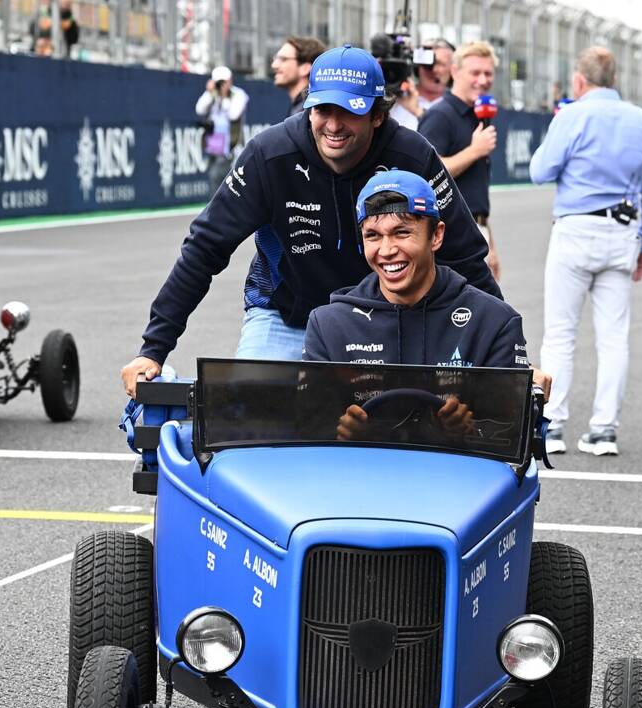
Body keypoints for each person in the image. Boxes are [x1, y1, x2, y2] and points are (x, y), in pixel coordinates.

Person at [120, 44, 499, 398]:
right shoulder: (269, 155)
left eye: (349, 111)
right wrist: (153, 350)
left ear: (378, 115)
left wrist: (511, 361)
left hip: (386, 319)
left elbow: (465, 256)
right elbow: (204, 248)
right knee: (250, 427)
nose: (333, 126)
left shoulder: (413, 155)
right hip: (285, 316)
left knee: (402, 432)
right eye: (322, 110)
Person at [304, 170, 549, 439]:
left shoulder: (494, 322)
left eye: (401, 232)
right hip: (358, 475)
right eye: (373, 235)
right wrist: (343, 434)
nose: (386, 250)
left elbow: (510, 436)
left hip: (460, 477)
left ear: (436, 236)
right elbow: (310, 430)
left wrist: (470, 432)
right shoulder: (328, 324)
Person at [528, 46, 642, 457]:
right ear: (614, 78)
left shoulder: (572, 115)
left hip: (575, 227)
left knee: (560, 333)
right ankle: (604, 429)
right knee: (613, 337)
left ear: (580, 80)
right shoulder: (641, 121)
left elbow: (539, 172)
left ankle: (552, 425)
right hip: (622, 230)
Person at [419, 40, 500, 279]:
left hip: (477, 230)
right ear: (455, 72)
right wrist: (474, 151)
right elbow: (425, 174)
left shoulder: (478, 117)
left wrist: (491, 246)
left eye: (488, 73)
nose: (483, 80)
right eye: (475, 72)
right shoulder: (439, 116)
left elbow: (476, 194)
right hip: (449, 237)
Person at [196, 65, 249, 187]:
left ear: (230, 81)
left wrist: (224, 96)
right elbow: (199, 109)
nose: (221, 85)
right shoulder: (212, 94)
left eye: (223, 82)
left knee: (218, 177)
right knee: (214, 178)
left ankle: (217, 206)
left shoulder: (238, 95)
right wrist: (211, 93)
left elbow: (233, 115)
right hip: (212, 144)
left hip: (229, 147)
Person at [272, 35, 326, 116]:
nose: (274, 65)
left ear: (305, 68)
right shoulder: (302, 107)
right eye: (276, 58)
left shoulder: (309, 110)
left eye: (283, 59)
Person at [415, 39, 453, 113]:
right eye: (427, 63)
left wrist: (415, 110)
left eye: (440, 64)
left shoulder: (459, 104)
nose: (434, 69)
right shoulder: (396, 101)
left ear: (452, 69)